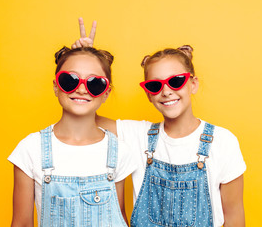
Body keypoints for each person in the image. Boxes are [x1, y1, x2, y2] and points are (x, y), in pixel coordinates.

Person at [73, 18, 246, 227]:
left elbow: (235, 218)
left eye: (175, 81)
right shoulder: (139, 136)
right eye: (155, 85)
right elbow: (88, 119)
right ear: (148, 94)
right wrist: (84, 63)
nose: (166, 91)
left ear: (193, 84)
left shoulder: (223, 142)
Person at [8, 22, 135, 227]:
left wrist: (85, 58)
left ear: (106, 93)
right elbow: (21, 223)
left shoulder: (119, 150)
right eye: (70, 80)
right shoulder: (30, 149)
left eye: (94, 83)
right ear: (56, 87)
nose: (82, 89)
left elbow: (119, 217)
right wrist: (82, 57)